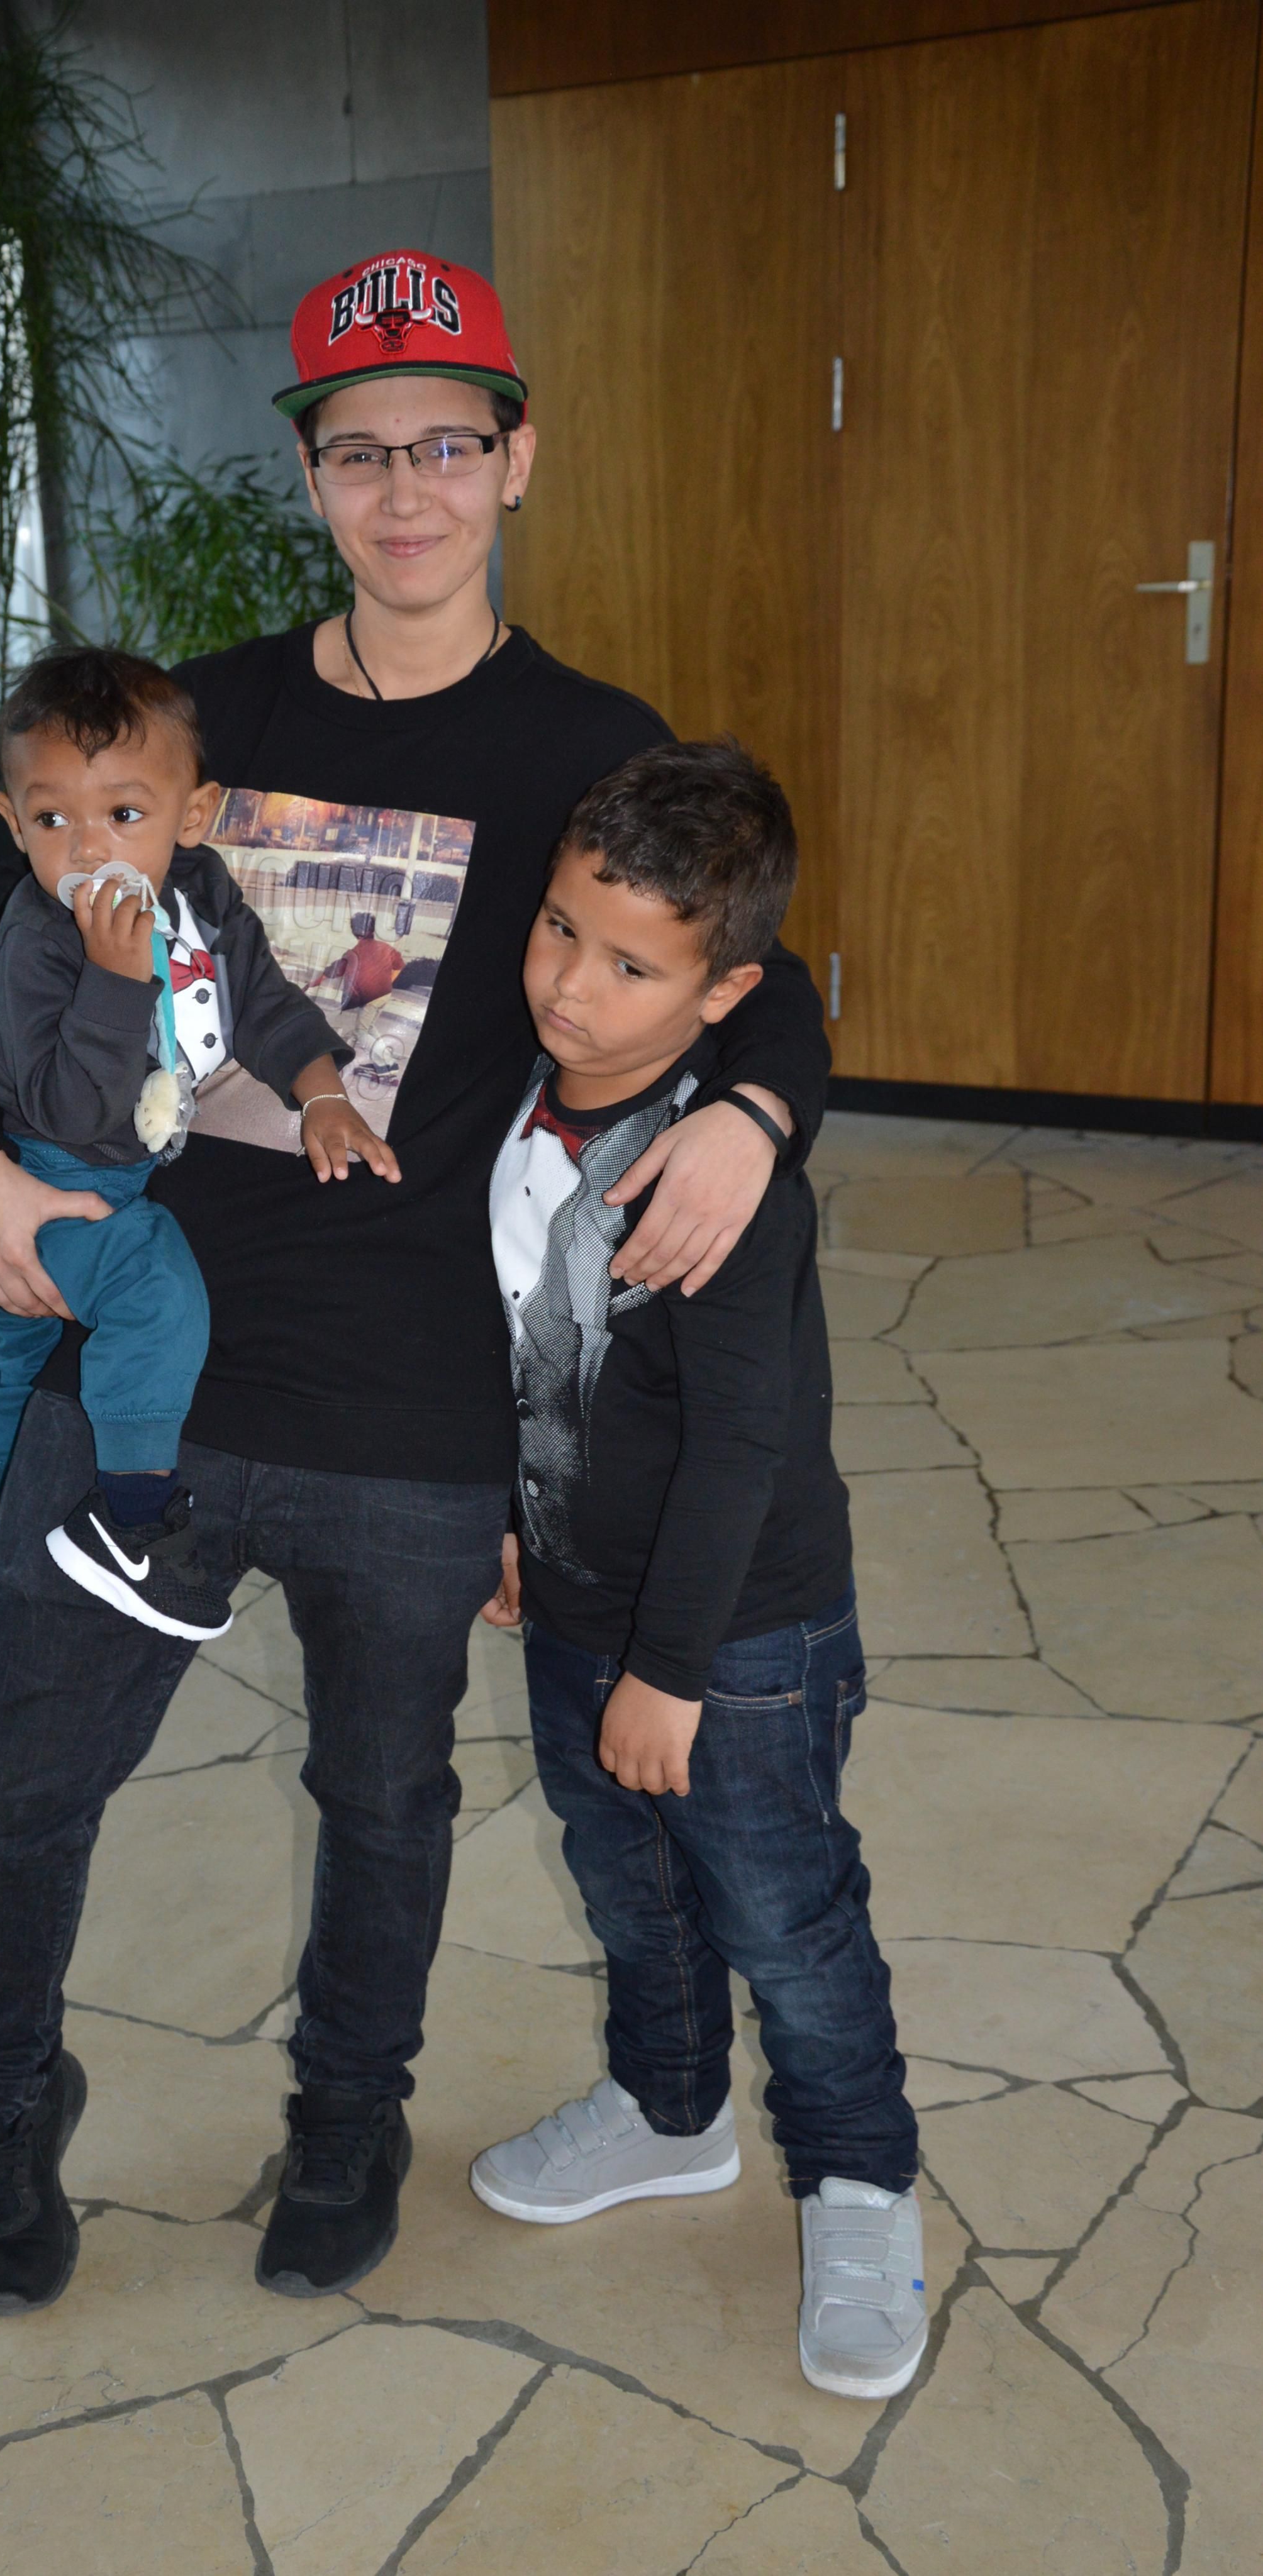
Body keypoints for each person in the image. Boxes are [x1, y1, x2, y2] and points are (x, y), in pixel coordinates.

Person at [0, 248, 832, 2318]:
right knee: (21, 1782)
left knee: (385, 1797)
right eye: (356, 452)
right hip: (148, 1349)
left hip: (414, 1395)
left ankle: (347, 2119)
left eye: (444, 447)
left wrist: (756, 1117)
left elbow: (758, 978)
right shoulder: (188, 720)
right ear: (310, 474)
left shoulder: (587, 743)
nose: (403, 493)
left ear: (516, 459)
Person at [470, 740, 924, 2402]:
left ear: (725, 991)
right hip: (573, 1599)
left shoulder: (720, 1189)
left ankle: (861, 2182)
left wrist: (671, 1672)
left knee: (784, 1920)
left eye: (631, 966)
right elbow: (521, 1338)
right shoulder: (519, 1102)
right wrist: (511, 1510)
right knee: (627, 1888)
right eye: (559, 931)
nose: (569, 986)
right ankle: (669, 2112)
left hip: (738, 1639)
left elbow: (739, 1448)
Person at [0, 647, 389, 1641]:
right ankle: (132, 1521)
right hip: (47, 1183)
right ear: (13, 822)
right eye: (53, 821)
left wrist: (321, 1094)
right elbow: (73, 1111)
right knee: (156, 1289)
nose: (90, 849)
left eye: (125, 814)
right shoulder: (36, 941)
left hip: (113, 1177)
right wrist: (116, 979)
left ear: (194, 814)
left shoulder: (201, 892)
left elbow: (265, 1002)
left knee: (21, 1367)